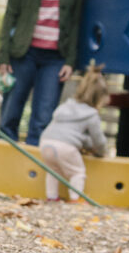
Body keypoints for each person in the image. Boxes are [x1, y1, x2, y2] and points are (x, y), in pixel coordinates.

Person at [0, 0, 83, 145]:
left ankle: (33, 172)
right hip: (23, 54)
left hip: (54, 59)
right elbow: (10, 14)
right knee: (10, 114)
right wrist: (3, 56)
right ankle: (7, 169)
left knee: (43, 118)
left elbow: (75, 24)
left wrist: (71, 61)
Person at [37, 64, 109, 202]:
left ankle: (51, 197)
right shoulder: (91, 114)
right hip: (66, 146)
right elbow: (98, 139)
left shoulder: (66, 105)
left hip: (46, 142)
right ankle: (75, 199)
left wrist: (86, 144)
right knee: (77, 173)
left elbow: (73, 133)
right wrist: (101, 152)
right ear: (99, 98)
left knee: (53, 170)